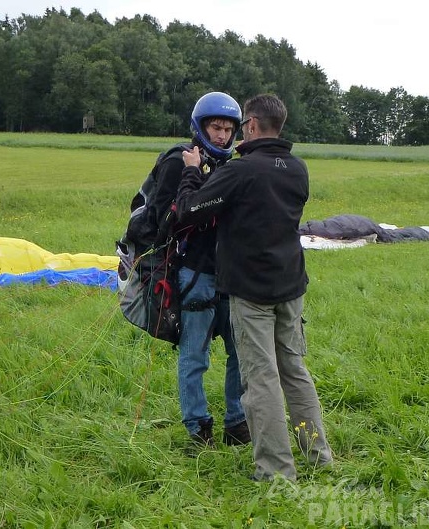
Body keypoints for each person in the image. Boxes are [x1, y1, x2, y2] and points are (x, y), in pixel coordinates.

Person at [175, 94, 332, 480]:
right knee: (294, 370)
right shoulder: (298, 169)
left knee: (260, 380)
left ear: (253, 126)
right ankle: (318, 455)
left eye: (243, 124)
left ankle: (276, 471)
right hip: (291, 287)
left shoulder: (242, 171)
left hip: (251, 293)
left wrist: (193, 170)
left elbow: (188, 209)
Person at [151, 91, 250, 448]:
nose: (222, 135)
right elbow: (166, 219)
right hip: (195, 274)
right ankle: (197, 426)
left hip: (231, 276)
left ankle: (236, 420)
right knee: (196, 355)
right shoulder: (181, 161)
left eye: (227, 129)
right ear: (201, 127)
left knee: (240, 352)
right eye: (215, 127)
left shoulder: (232, 166)